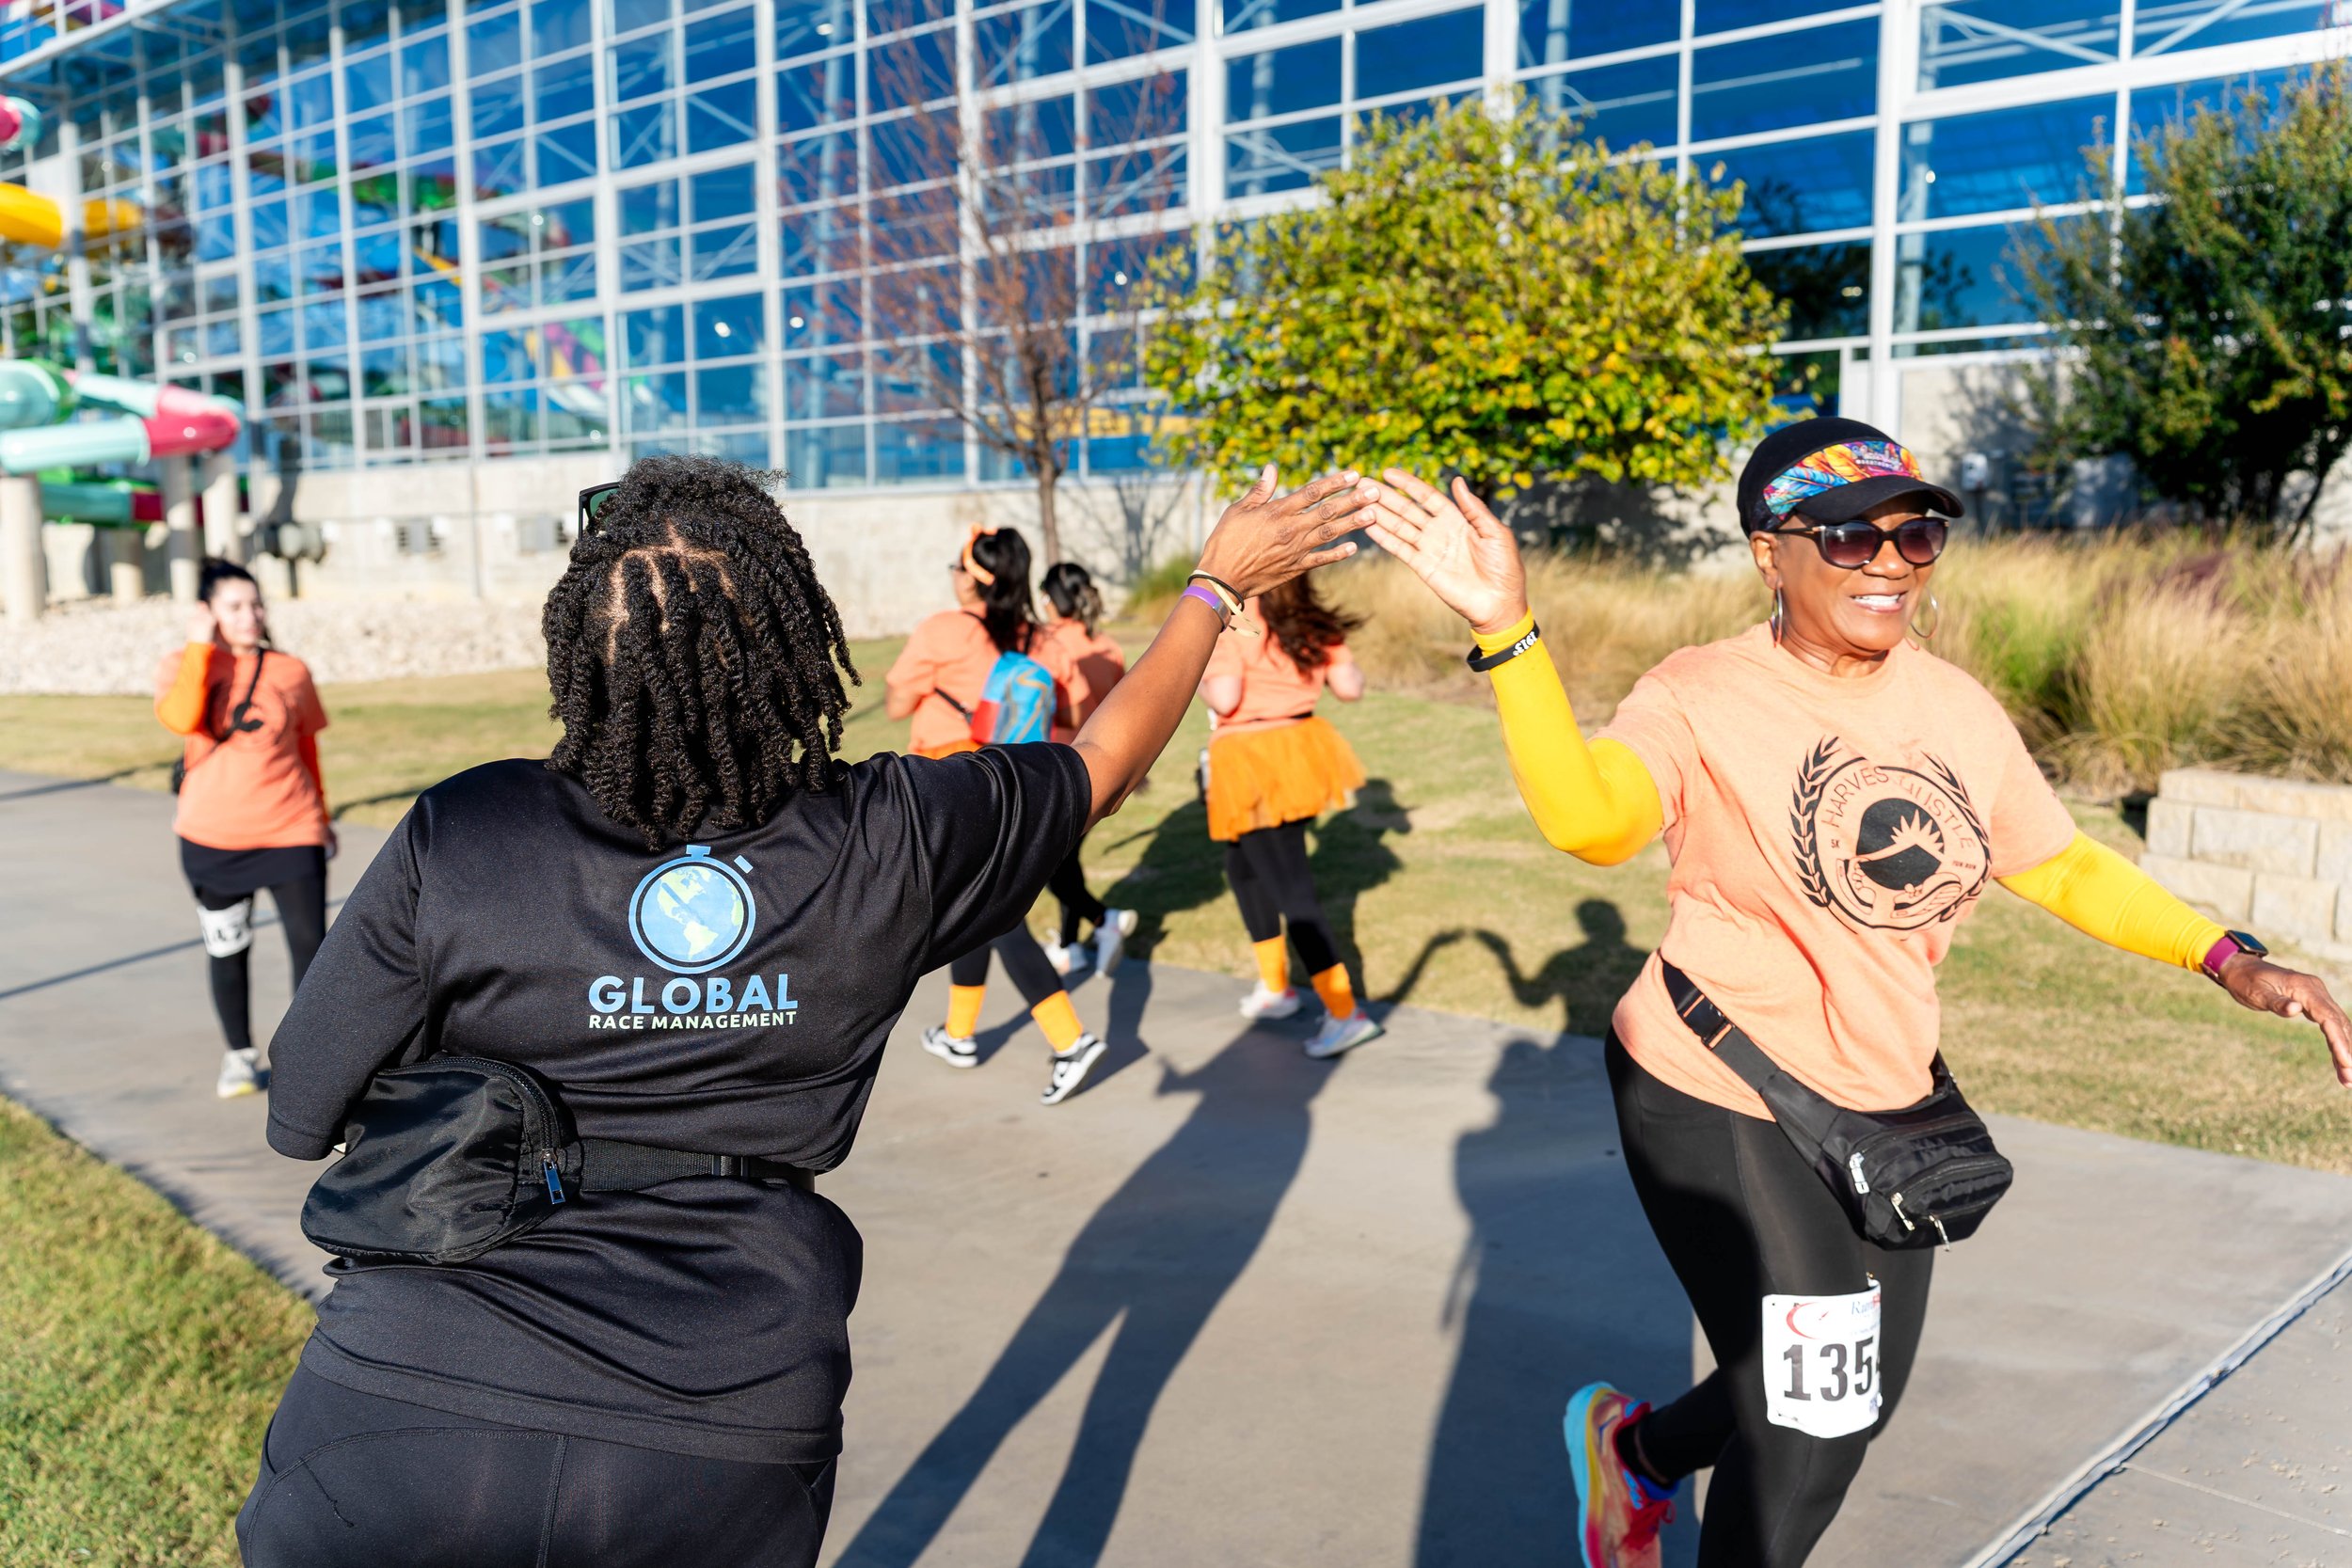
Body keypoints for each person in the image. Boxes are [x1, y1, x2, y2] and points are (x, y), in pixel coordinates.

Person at [236, 455, 1376, 1568]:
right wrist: (1216, 587)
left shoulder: (467, 827)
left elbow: (303, 1105)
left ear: (577, 642)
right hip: (720, 1426)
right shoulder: (892, 832)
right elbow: (1103, 765)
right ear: (785, 639)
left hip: (399, 1408)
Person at [1364, 418, 2352, 1568]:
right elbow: (1591, 821)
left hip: (1883, 1096)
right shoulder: (1698, 692)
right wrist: (1506, 630)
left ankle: (1634, 1455)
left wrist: (2226, 955)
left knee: (1853, 1393)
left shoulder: (1955, 708)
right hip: (1713, 1078)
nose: (1888, 561)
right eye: (1846, 537)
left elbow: (2063, 862)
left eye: (1915, 532)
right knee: (1812, 1422)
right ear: (1766, 553)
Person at [884, 528, 1109, 1104]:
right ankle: (959, 1034)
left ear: (973, 577)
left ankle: (1071, 1039)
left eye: (955, 568)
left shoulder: (945, 630)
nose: (952, 578)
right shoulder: (1044, 639)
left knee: (996, 913)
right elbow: (1075, 708)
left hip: (947, 783)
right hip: (1017, 780)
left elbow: (896, 704)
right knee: (974, 907)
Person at [152, 558, 336, 1099]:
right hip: (212, 839)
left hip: (290, 829)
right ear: (207, 612)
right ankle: (240, 1056)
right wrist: (198, 645)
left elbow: (307, 749)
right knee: (228, 950)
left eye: (256, 604)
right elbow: (183, 718)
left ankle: (311, 1068)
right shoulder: (182, 666)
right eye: (234, 606)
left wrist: (322, 817)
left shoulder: (291, 671)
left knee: (313, 950)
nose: (251, 615)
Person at [1200, 571, 1382, 1059]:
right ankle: (1276, 988)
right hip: (1299, 749)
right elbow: (1349, 686)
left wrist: (1198, 670)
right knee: (1243, 868)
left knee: (1290, 888)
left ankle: (1345, 1013)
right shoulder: (1311, 620)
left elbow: (1224, 697)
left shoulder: (1237, 619)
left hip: (1251, 759)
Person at [1037, 560, 1136, 978]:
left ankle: (1103, 920)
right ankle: (1069, 947)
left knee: (1045, 864)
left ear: (1049, 600)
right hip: (1101, 765)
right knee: (1066, 859)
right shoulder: (1109, 646)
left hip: (1052, 766)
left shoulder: (1045, 645)